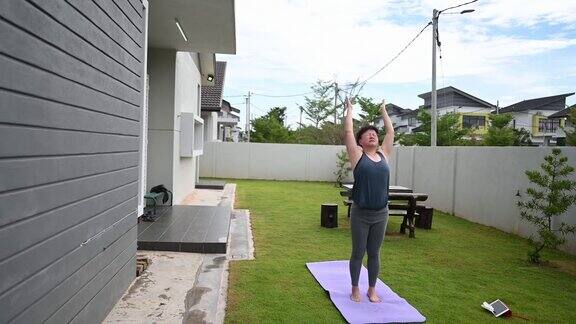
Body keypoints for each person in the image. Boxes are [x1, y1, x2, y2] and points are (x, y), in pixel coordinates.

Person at [343, 97, 394, 303]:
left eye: (374, 133)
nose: (372, 135)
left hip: (381, 213)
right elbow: (348, 132)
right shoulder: (357, 155)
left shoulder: (384, 155)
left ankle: (372, 289)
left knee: (374, 253)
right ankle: (355, 288)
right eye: (367, 135)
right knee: (358, 252)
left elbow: (390, 132)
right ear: (361, 142)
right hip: (361, 214)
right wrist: (350, 109)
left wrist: (383, 110)